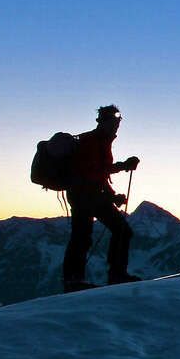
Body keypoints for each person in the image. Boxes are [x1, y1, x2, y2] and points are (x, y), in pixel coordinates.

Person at [61, 104, 141, 292]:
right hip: (84, 195)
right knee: (91, 234)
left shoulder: (100, 141)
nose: (116, 127)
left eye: (117, 123)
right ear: (103, 122)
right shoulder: (91, 141)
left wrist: (112, 196)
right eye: (114, 123)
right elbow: (94, 171)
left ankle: (77, 279)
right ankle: (87, 278)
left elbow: (98, 175)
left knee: (87, 235)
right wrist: (122, 166)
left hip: (88, 194)